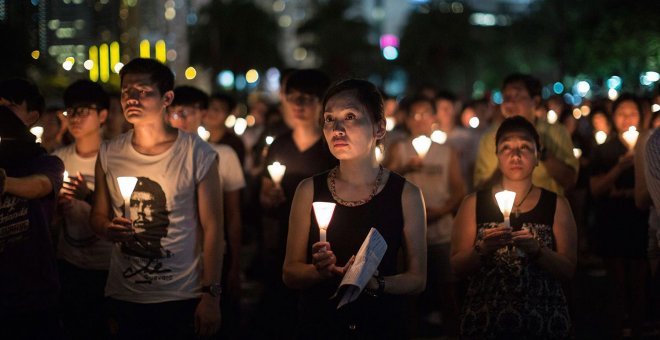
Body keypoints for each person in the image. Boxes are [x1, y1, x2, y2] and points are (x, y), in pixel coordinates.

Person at [89, 58, 224, 338]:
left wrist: (211, 295)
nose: (132, 98)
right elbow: (98, 216)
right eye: (126, 91)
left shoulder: (196, 153)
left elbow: (213, 229)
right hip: (124, 293)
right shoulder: (109, 153)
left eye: (143, 91)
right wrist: (107, 228)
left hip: (181, 293)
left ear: (167, 98)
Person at [283, 79, 427, 338]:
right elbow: (290, 273)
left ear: (379, 127)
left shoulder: (406, 194)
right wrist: (320, 272)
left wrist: (375, 283)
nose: (337, 128)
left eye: (350, 116)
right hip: (320, 323)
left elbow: (417, 278)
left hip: (382, 324)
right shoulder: (309, 190)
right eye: (329, 119)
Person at [451, 116, 576, 338]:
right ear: (497, 156)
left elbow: (568, 269)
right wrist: (482, 248)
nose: (515, 155)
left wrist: (538, 250)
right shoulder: (473, 204)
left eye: (525, 147)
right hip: (486, 318)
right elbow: (457, 267)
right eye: (506, 147)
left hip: (543, 317)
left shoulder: (557, 204)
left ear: (538, 156)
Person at [167, 85, 246, 339]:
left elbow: (233, 214)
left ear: (202, 113)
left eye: (187, 112)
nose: (180, 118)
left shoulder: (221, 154)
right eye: (174, 112)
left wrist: (235, 264)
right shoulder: (160, 157)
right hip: (172, 258)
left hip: (211, 255)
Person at [385, 95, 465, 336]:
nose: (420, 120)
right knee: (407, 294)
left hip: (441, 232)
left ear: (434, 119)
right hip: (406, 232)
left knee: (447, 291)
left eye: (425, 114)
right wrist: (403, 168)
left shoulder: (446, 151)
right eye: (414, 115)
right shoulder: (400, 148)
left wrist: (440, 211)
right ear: (407, 120)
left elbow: (459, 189)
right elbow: (383, 182)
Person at [0, 78, 65, 338]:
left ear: (32, 117)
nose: (2, 112)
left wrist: (5, 183)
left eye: (11, 106)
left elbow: (39, 186)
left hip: (33, 290)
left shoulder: (46, 162)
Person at [52, 80, 113, 339]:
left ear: (102, 115)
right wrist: (57, 208)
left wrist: (87, 196)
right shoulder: (59, 159)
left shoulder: (115, 157)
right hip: (69, 262)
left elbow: (125, 214)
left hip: (108, 266)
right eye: (71, 111)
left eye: (83, 111)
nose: (75, 118)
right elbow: (50, 221)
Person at [590, 93, 649, 338]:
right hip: (612, 221)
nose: (627, 118)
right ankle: (616, 325)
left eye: (632, 113)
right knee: (616, 280)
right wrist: (621, 167)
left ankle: (638, 324)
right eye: (621, 113)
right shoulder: (605, 149)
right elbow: (595, 188)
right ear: (613, 117)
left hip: (640, 221)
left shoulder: (650, 147)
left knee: (639, 279)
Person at [473, 73, 578, 195]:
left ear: (535, 101)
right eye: (506, 97)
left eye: (517, 96)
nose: (509, 103)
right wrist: (503, 165)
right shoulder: (490, 138)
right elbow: (481, 190)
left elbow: (570, 181)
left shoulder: (556, 132)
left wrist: (541, 152)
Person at [204, 92, 246, 166]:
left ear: (228, 114)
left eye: (220, 108)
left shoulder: (234, 144)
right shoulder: (201, 141)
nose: (213, 112)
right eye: (210, 107)